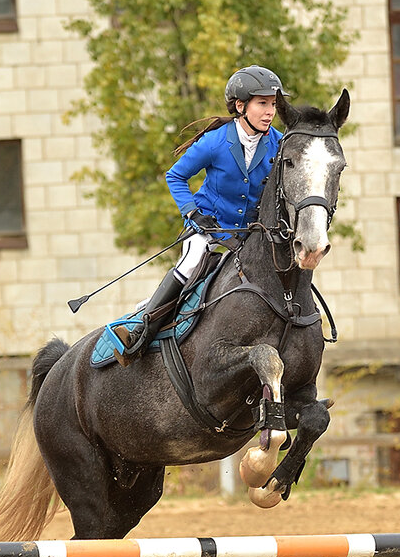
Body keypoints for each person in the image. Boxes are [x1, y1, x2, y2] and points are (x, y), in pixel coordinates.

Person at [113, 65, 289, 365]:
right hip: (208, 227)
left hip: (250, 234)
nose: (270, 111)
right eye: (262, 103)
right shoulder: (216, 142)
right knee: (191, 262)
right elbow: (175, 176)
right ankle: (142, 328)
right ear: (240, 105)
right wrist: (193, 213)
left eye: (273, 103)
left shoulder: (279, 143)